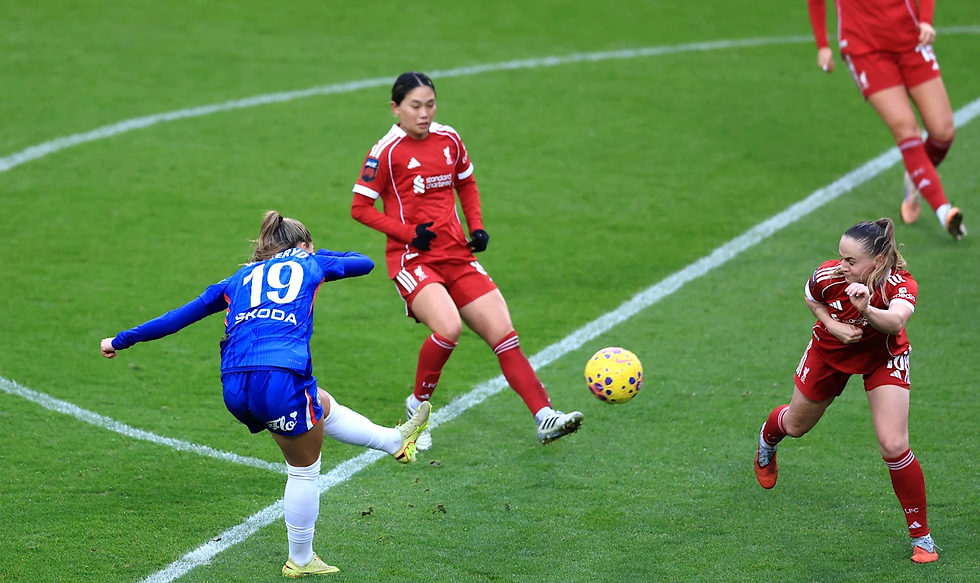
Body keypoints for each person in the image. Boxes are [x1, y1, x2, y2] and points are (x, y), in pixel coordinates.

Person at [100, 210, 430, 578]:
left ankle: (393, 441)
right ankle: (301, 559)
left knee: (317, 402)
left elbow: (175, 318)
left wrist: (119, 340)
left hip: (234, 385)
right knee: (304, 469)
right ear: (302, 246)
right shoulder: (310, 263)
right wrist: (310, 255)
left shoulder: (236, 279)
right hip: (278, 378)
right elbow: (364, 262)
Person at [349, 71, 583, 450]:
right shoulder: (386, 151)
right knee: (448, 328)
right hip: (413, 259)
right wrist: (408, 233)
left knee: (504, 335)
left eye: (430, 105)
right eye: (415, 106)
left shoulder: (449, 139)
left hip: (457, 255)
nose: (424, 114)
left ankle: (545, 416)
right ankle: (417, 405)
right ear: (395, 108)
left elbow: (466, 182)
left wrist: (476, 226)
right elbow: (360, 208)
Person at [753, 218, 938, 563]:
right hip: (830, 352)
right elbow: (811, 298)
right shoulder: (829, 275)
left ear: (878, 261)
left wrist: (866, 308)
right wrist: (833, 325)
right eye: (840, 257)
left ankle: (921, 537)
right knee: (796, 426)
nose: (842, 265)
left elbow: (896, 321)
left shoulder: (900, 284)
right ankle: (768, 437)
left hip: (884, 358)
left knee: (894, 445)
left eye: (851, 261)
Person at [808, 0, 966, 240]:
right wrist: (822, 45)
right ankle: (944, 211)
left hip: (911, 38)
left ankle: (917, 176)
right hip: (864, 48)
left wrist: (926, 20)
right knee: (906, 129)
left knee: (943, 131)